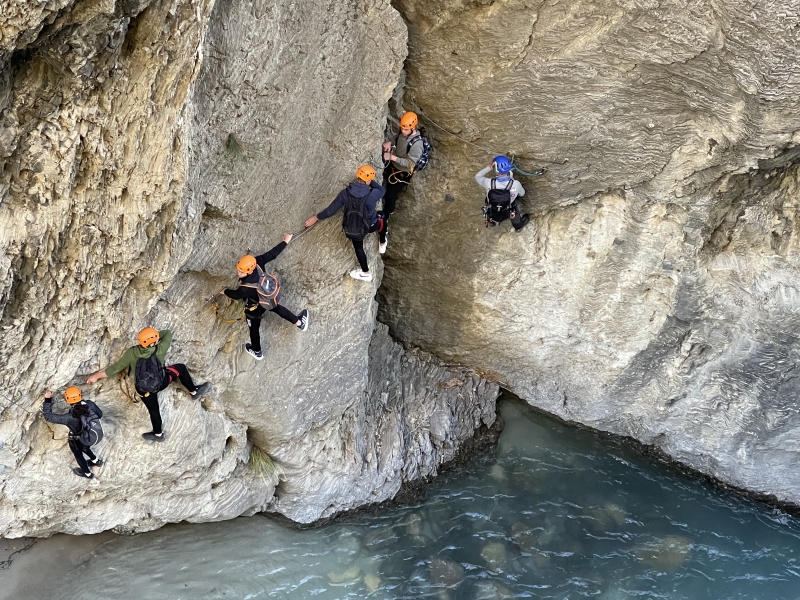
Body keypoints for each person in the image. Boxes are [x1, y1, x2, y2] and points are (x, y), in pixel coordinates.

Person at [86, 328, 210, 442]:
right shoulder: (161, 348)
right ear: (155, 341)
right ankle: (194, 392)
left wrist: (95, 376)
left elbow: (115, 368)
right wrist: (156, 338)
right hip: (161, 383)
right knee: (181, 368)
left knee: (153, 411)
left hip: (144, 390)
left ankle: (158, 434)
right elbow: (167, 333)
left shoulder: (132, 352)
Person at [221, 234, 309, 360]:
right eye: (239, 270)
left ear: (249, 271)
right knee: (277, 308)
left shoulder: (245, 287)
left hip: (255, 307)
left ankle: (257, 352)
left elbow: (236, 295)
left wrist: (225, 291)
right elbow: (272, 254)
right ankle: (300, 323)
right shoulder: (258, 263)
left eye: (241, 271)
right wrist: (285, 242)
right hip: (266, 298)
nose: (238, 273)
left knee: (254, 328)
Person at [304, 165, 385, 282]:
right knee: (382, 218)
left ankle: (366, 272)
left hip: (354, 227)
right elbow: (382, 190)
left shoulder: (345, 193)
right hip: (371, 226)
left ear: (357, 176)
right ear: (369, 180)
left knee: (358, 248)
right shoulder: (373, 194)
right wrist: (370, 182)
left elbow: (330, 211)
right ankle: (382, 242)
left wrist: (316, 217)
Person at [380, 111, 426, 253]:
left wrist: (392, 158)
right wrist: (390, 142)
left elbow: (410, 163)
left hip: (402, 174)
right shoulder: (404, 133)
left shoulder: (417, 144)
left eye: (406, 129)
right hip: (394, 168)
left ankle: (386, 217)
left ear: (413, 128)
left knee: (390, 196)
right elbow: (399, 142)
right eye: (402, 128)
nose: (403, 130)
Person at [42, 386, 103, 479]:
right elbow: (100, 414)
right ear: (80, 395)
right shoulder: (89, 404)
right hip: (91, 433)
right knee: (85, 447)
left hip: (79, 437)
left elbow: (49, 417)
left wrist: (47, 399)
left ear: (67, 399)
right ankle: (96, 461)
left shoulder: (69, 418)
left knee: (78, 453)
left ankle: (87, 473)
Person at [474, 155, 530, 231]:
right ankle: (518, 227)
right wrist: (512, 181)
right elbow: (522, 194)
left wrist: (490, 167)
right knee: (514, 212)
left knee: (489, 210)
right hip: (508, 210)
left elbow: (477, 176)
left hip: (492, 208)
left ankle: (492, 222)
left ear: (496, 170)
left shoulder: (488, 182)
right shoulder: (516, 184)